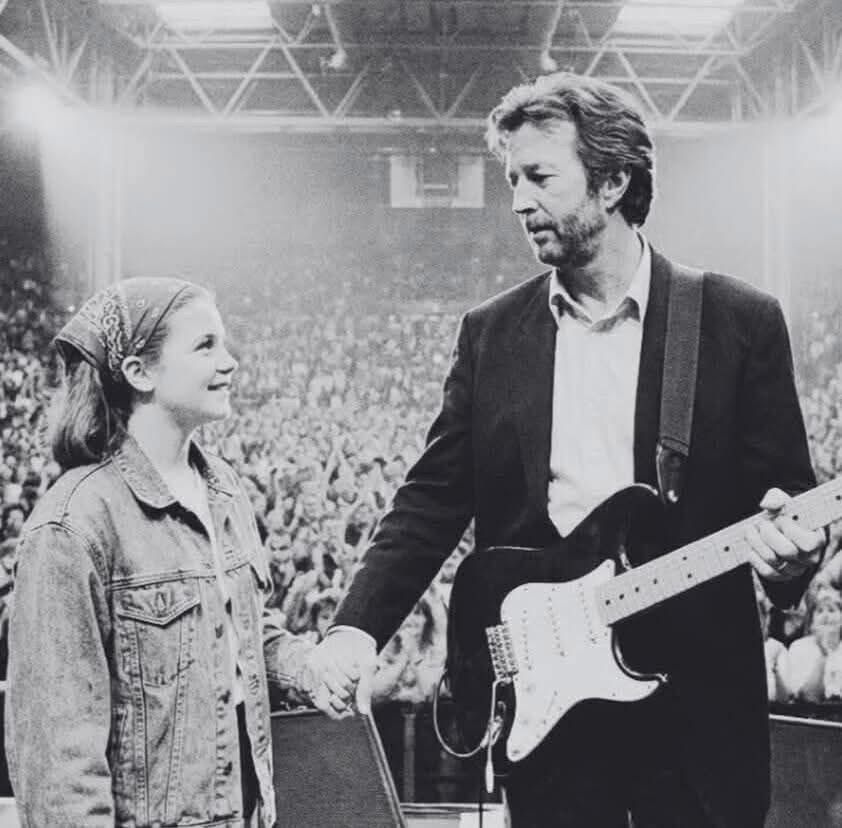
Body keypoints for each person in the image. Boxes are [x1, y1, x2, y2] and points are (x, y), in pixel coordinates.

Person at [311, 73, 826, 827]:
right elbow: (431, 499)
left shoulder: (736, 321)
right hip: (552, 708)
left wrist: (793, 561)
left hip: (698, 712)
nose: (519, 200)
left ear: (613, 181)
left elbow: (789, 504)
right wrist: (357, 626)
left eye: (540, 177)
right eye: (512, 180)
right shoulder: (491, 334)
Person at [4, 277, 349, 827]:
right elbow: (59, 767)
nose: (230, 362)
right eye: (205, 346)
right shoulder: (72, 525)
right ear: (139, 372)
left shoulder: (224, 488)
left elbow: (239, 629)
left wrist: (307, 667)